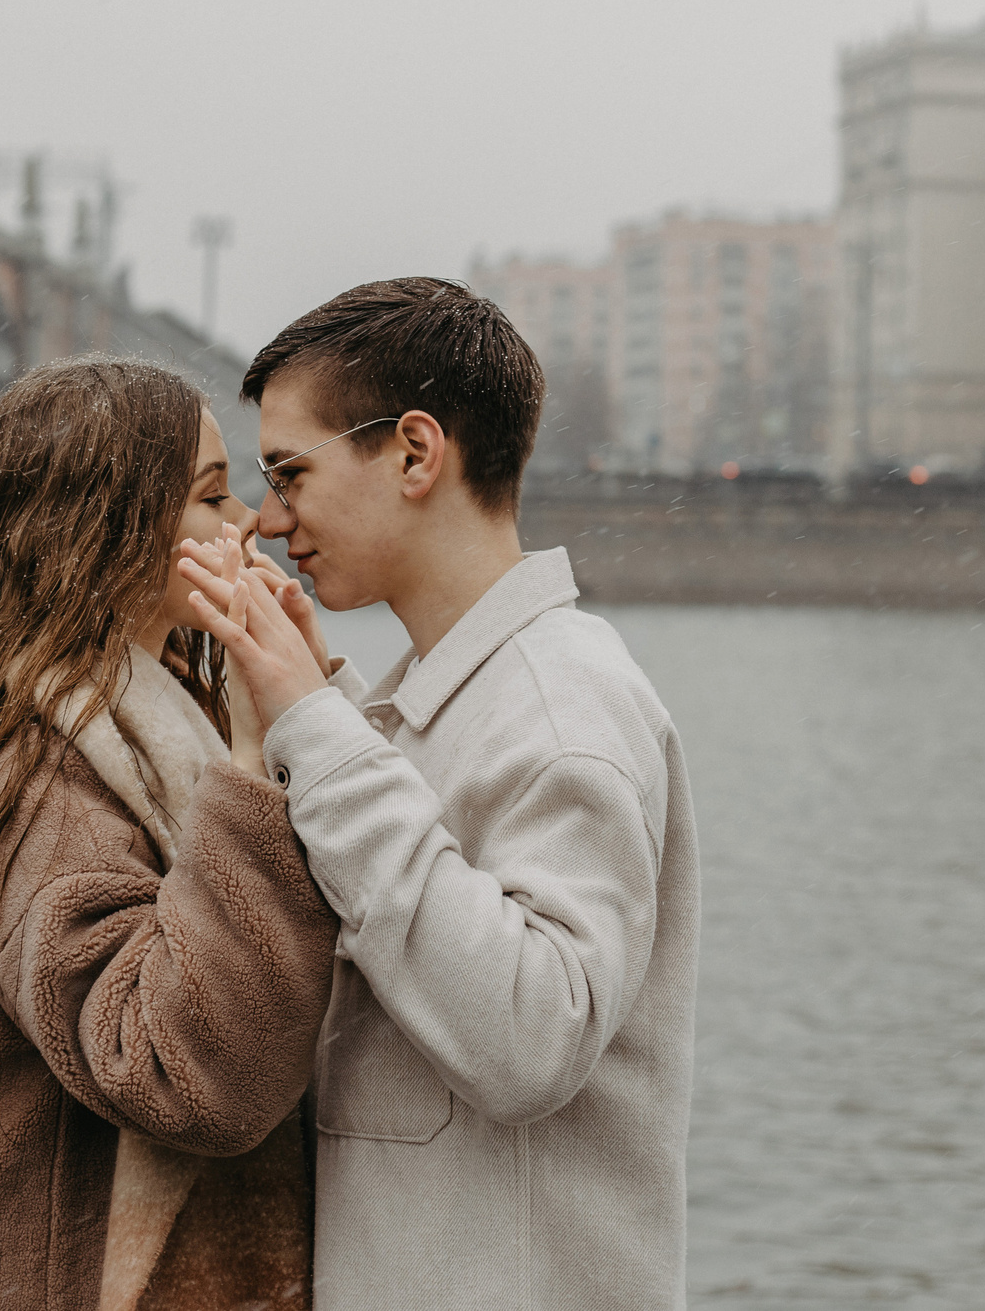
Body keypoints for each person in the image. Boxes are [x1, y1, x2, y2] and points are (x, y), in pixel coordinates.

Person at [178, 278, 700, 1311]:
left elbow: (526, 1038)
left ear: (415, 452)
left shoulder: (563, 706)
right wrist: (322, 703)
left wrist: (319, 735)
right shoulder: (458, 694)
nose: (270, 519)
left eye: (289, 473)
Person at [0, 355, 338, 1311]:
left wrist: (316, 732)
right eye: (213, 497)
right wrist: (263, 763)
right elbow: (186, 1074)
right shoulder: (19, 769)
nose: (250, 524)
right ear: (105, 527)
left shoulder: (145, 717)